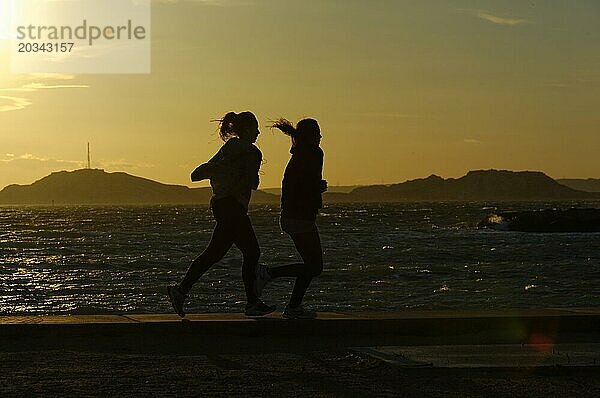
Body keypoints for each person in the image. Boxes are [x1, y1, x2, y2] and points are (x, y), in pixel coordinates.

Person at [168, 111, 275, 317]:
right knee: (252, 252)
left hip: (221, 205)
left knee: (214, 254)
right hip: (233, 207)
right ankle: (252, 303)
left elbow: (198, 174)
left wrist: (224, 172)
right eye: (255, 128)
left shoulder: (226, 149)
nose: (259, 133)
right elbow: (253, 183)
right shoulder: (251, 151)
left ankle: (180, 291)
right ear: (246, 130)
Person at [254, 118, 326, 319]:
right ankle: (269, 274)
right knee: (314, 266)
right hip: (299, 217)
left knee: (311, 265)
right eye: (318, 133)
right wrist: (317, 187)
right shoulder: (313, 154)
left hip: (293, 216)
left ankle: (294, 306)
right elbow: (303, 186)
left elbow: (297, 185)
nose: (321, 137)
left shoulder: (298, 156)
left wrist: (315, 187)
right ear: (311, 136)